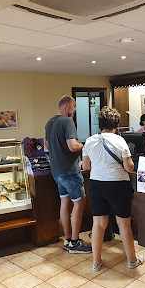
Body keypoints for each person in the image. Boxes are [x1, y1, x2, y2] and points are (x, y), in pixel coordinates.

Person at [82, 107, 143, 271]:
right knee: (123, 223)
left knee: (98, 224)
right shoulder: (120, 141)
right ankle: (132, 261)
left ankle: (96, 263)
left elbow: (86, 166)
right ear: (116, 125)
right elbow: (129, 167)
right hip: (118, 184)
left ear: (100, 124)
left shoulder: (89, 141)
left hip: (96, 184)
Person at [45, 96, 91, 253]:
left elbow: (46, 146)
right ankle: (75, 242)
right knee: (79, 203)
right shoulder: (67, 121)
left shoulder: (50, 122)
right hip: (70, 171)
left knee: (64, 202)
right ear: (67, 107)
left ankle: (68, 239)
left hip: (57, 171)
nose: (74, 110)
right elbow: (72, 146)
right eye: (74, 107)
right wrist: (83, 145)